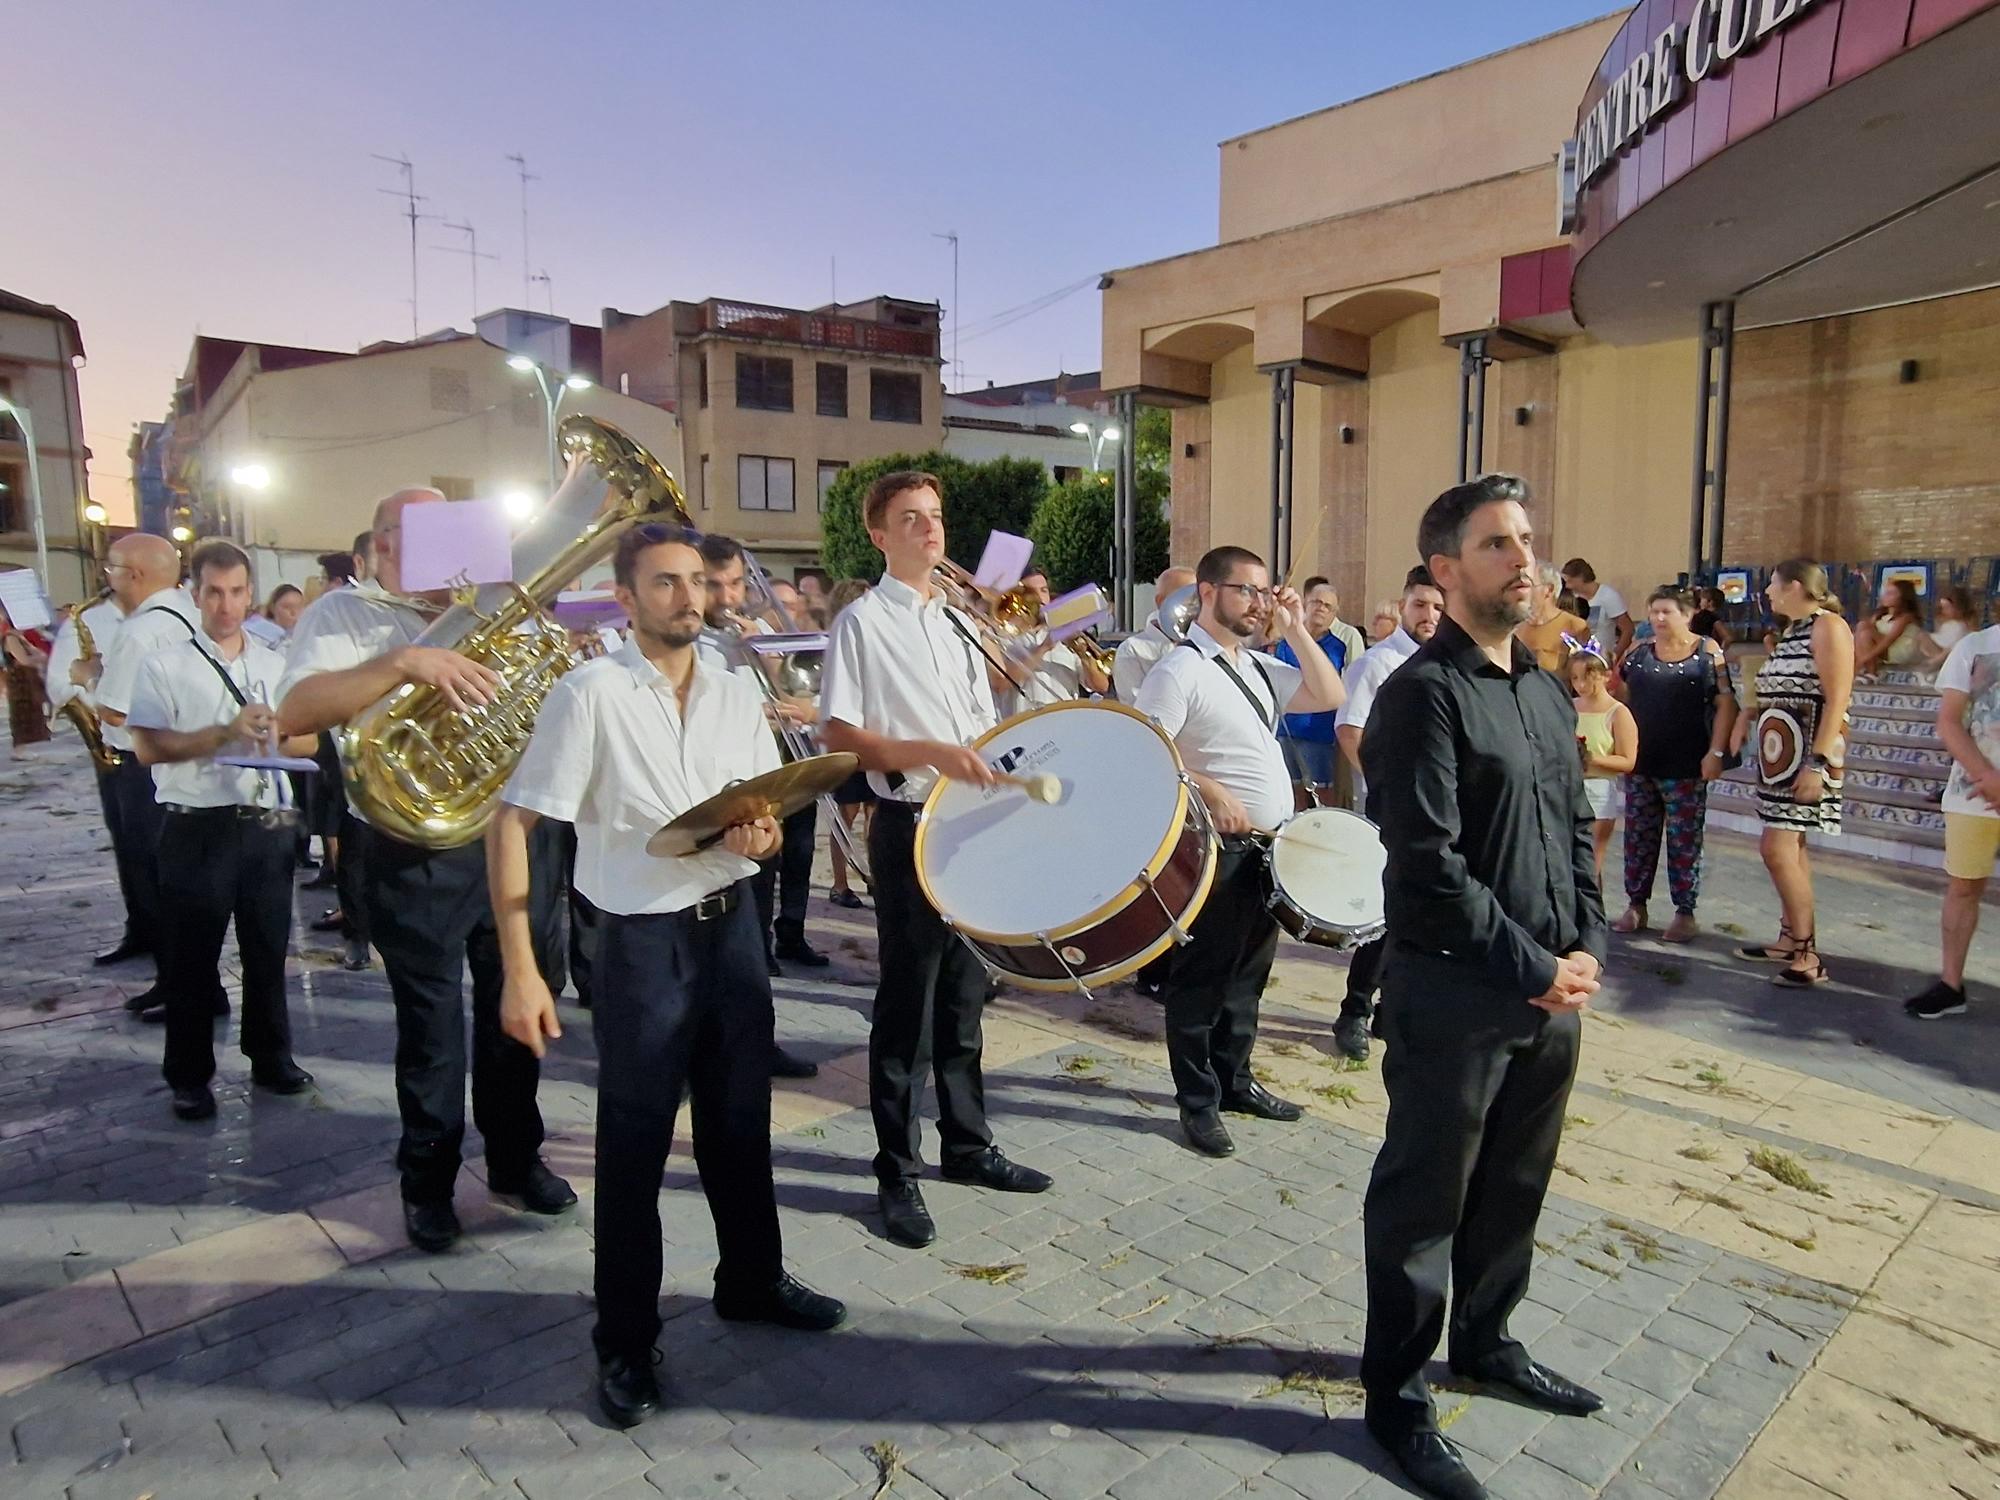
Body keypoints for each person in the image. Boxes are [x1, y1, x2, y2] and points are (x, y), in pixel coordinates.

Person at [490, 524, 845, 1430]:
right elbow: (513, 823)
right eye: (666, 584)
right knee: (636, 1149)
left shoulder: (734, 689)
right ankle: (624, 1340)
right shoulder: (590, 693)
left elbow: (754, 812)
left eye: (698, 582)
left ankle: (751, 1282)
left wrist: (760, 837)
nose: (690, 599)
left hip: (731, 937)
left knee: (740, 1125)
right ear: (626, 596)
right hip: (639, 947)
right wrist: (522, 970)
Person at [1359, 475, 1608, 1500]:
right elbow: (1427, 865)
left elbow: (1571, 833)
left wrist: (1583, 947)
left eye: (1525, 539)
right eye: (1497, 544)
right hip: (1457, 996)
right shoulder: (1419, 696)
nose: (1523, 558)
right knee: (1424, 1202)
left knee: (1513, 1184)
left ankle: (1487, 1342)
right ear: (1444, 571)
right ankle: (1396, 1400)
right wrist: (1534, 967)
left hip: (1551, 995)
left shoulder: (1544, 688)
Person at [277, 487, 576, 1254]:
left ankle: (515, 1160)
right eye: (417, 536)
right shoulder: (341, 615)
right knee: (433, 1032)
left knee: (519, 1012)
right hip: (416, 853)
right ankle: (429, 1182)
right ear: (380, 547)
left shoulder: (500, 607)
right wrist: (405, 660)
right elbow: (297, 712)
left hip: (510, 838)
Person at [819, 470, 1054, 1249]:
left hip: (971, 816)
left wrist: (1020, 638)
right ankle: (897, 1169)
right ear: (879, 536)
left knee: (965, 991)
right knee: (908, 1001)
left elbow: (984, 708)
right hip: (912, 817)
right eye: (911, 519)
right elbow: (841, 736)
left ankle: (968, 1144)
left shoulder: (955, 619)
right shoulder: (860, 622)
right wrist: (930, 754)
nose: (930, 531)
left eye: (937, 518)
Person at [1134, 545, 1346, 1158]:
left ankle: (1236, 1080)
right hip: (1215, 850)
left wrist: (1297, 626)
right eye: (1245, 591)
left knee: (1249, 977)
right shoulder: (1179, 670)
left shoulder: (1254, 665)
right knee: (1203, 980)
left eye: (1263, 592)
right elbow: (1146, 749)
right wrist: (1210, 786)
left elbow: (1328, 692)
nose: (1258, 602)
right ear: (1207, 593)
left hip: (1268, 848)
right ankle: (1197, 1103)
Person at [125, 541, 315, 1115]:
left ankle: (271, 1056)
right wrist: (224, 735)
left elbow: (309, 740)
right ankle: (188, 1075)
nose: (226, 604)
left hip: (265, 824)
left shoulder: (277, 663)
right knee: (190, 958)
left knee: (267, 948)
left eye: (236, 592)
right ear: (194, 592)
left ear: (249, 593)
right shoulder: (164, 663)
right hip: (195, 826)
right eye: (214, 591)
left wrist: (276, 734)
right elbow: (148, 747)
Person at [698, 534, 830, 981]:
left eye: (736, 584)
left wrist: (767, 655)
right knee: (738, 874)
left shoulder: (762, 634)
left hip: (776, 758)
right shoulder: (691, 643)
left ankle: (773, 944)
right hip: (721, 774)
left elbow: (797, 692)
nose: (729, 597)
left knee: (782, 858)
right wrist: (752, 714)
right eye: (716, 585)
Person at [1330, 565, 1444, 1062]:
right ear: (1403, 606)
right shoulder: (1377, 663)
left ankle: (1390, 1012)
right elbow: (1350, 730)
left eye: (1439, 607)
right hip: (1389, 809)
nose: (1430, 615)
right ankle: (1354, 1010)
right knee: (1382, 918)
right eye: (1421, 604)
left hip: (1436, 809)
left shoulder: (1447, 661)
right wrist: (1382, 785)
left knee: (1421, 914)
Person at [93, 533, 201, 1015]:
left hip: (144, 766)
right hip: (187, 763)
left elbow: (115, 711)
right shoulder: (190, 615)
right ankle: (198, 985)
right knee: (177, 879)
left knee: (155, 879)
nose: (107, 577)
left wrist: (86, 676)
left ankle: (175, 987)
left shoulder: (139, 631)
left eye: (111, 568)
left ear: (134, 574)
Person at [1733, 559, 1854, 989]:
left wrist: (1817, 763)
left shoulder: (1828, 627)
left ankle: (1807, 953)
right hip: (1780, 760)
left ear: (1796, 587)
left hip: (1806, 758)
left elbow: (1838, 697)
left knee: (1777, 849)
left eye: (1772, 584)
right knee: (1790, 848)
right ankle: (1790, 938)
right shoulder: (1793, 632)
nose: (1766, 592)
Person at [1610, 587, 1735, 944]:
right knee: (1638, 836)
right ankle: (1636, 904)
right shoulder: (1638, 653)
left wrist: (1716, 752)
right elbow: (1621, 697)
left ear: (1688, 613)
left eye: (1666, 612)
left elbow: (1726, 704)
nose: (1658, 619)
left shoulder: (1708, 653)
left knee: (1684, 840)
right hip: (1643, 762)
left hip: (1686, 763)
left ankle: (1684, 910)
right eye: (1653, 612)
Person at [1904, 618, 2000, 1018]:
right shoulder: (1975, 646)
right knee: (1964, 886)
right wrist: (1987, 776)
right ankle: (1951, 984)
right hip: (1975, 792)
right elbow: (1949, 720)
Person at [47, 578, 145, 959]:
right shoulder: (85, 620)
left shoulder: (169, 615)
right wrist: (84, 684)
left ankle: (168, 938)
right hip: (109, 746)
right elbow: (59, 683)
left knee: (158, 848)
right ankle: (139, 929)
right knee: (125, 843)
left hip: (155, 744)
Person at [1271, 578, 1364, 790]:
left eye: (1328, 605)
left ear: (1334, 614)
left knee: (1321, 790)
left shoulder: (1337, 646)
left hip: (1319, 731)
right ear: (1305, 604)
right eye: (1316, 602)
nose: (1321, 608)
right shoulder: (1285, 644)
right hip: (1287, 728)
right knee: (1291, 789)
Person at [825, 578, 875, 911]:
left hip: (875, 734)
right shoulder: (838, 638)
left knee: (876, 808)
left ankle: (874, 874)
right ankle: (840, 882)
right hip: (848, 736)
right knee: (846, 812)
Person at [1569, 650, 1635, 886]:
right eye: (1575, 678)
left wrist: (1591, 758)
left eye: (1588, 677)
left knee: (1590, 859)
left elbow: (1627, 760)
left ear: (1606, 676)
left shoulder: (1618, 713)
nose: (1581, 685)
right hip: (1567, 786)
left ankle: (1591, 913)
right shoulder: (1569, 707)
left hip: (1598, 789)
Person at [1112, 567, 1195, 704]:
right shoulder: (1133, 649)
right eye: (1186, 597)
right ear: (1161, 601)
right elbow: (1137, 705)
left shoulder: (1202, 642)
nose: (1195, 605)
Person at [1516, 563, 1590, 675]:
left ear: (1548, 590)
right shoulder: (1516, 626)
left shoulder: (1575, 626)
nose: (1523, 591)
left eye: (1529, 585)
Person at [1, 598, 52, 751]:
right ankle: (22, 748)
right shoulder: (11, 638)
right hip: (20, 680)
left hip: (28, 678)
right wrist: (40, 658)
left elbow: (38, 653)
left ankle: (31, 745)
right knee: (23, 714)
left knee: (33, 713)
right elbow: (23, 660)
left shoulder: (20, 637)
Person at [1560, 557, 1632, 662]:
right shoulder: (1571, 598)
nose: (1567, 586)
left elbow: (1628, 629)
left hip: (1601, 658)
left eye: (1570, 581)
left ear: (1580, 578)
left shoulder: (1608, 596)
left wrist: (1615, 656)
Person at [1855, 576, 1930, 678]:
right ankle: (1865, 669)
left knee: (1865, 633)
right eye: (1885, 593)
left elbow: (1889, 640)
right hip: (1884, 649)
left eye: (1891, 594)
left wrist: (1863, 659)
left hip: (1898, 650)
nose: (1885, 596)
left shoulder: (1906, 617)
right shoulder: (1880, 615)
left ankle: (1870, 672)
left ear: (1903, 597)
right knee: (1862, 627)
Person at [1923, 585, 1974, 668]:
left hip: (1950, 659)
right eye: (1942, 608)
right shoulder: (1949, 624)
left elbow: (1950, 648)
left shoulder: (1960, 627)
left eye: (1947, 608)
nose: (1943, 611)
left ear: (1958, 608)